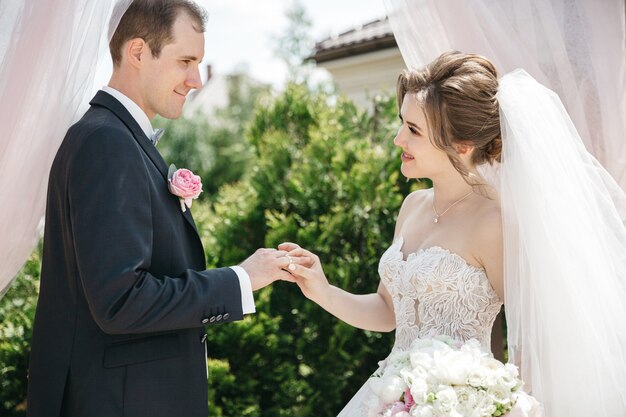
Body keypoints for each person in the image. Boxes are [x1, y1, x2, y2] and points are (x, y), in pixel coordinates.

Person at [281, 50, 626, 417]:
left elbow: (535, 340)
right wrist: (322, 289)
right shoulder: (411, 207)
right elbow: (388, 312)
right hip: (388, 400)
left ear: (462, 146)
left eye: (413, 130)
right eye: (402, 123)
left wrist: (505, 404)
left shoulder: (494, 221)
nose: (398, 139)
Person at [26, 1, 307, 416]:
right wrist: (240, 279)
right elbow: (121, 301)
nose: (195, 79)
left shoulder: (115, 137)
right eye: (185, 61)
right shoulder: (107, 143)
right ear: (138, 52)